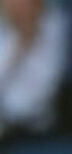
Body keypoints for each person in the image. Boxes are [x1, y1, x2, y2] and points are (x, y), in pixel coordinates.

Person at [0, 0, 65, 139]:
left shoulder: (57, 26)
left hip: (43, 128)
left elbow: (46, 90)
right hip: (7, 125)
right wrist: (20, 46)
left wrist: (29, 38)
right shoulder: (5, 28)